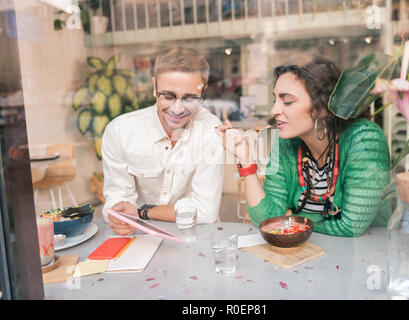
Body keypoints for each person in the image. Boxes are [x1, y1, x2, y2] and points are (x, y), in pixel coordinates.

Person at [216, 57, 391, 237]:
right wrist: (246, 160)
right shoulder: (287, 142)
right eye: (275, 99)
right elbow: (267, 218)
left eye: (288, 101)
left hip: (367, 255)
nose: (274, 110)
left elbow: (351, 226)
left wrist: (292, 222)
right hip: (307, 252)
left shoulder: (364, 139)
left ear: (322, 107)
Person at [102, 47, 224, 236]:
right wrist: (120, 212)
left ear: (203, 92)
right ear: (154, 87)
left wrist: (144, 212)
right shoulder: (120, 131)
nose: (177, 109)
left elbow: (206, 211)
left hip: (198, 237)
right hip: (139, 237)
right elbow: (116, 198)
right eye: (168, 96)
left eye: (190, 98)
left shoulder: (211, 131)